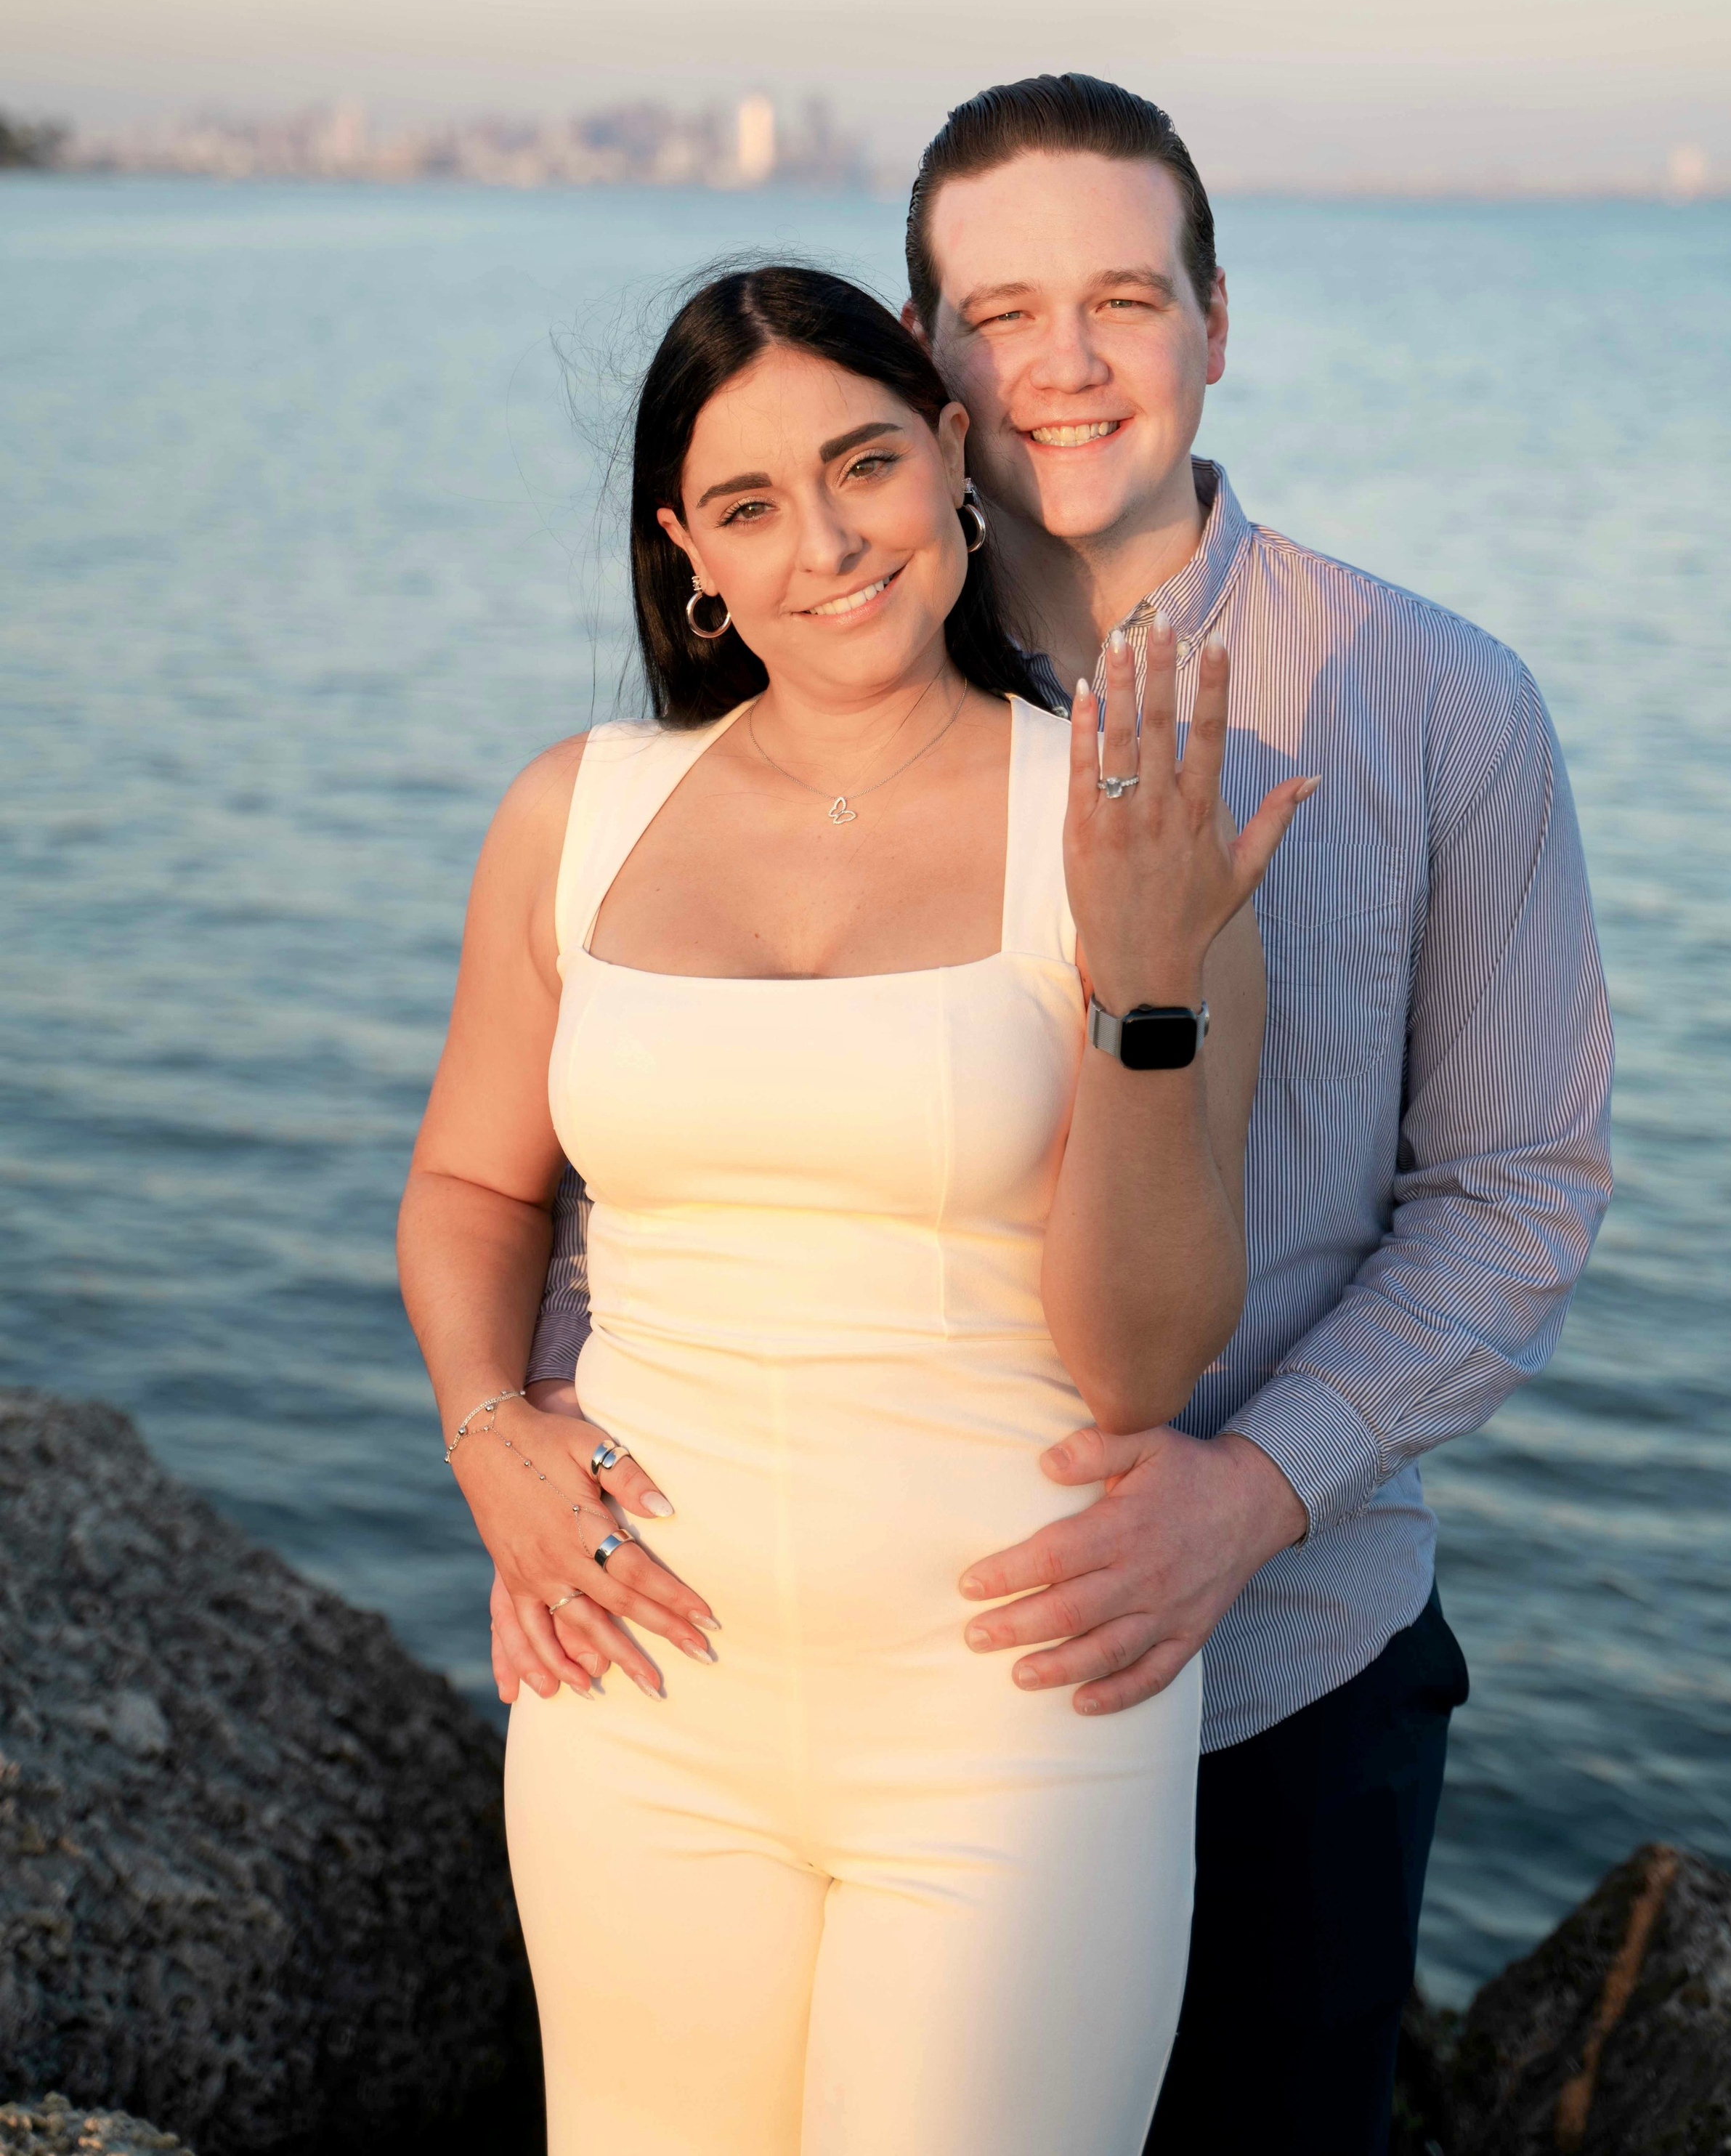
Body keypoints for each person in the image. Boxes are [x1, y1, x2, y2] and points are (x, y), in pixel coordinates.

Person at [503, 78, 1615, 2156]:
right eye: (1003, 312)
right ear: (930, 363)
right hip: (813, 1665)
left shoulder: (1440, 698)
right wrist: (544, 1448)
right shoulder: (838, 663)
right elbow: (656, 1150)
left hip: (1283, 1667)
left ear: (1216, 316)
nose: (1071, 364)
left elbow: (1518, 1187)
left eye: (1124, 295)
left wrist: (1250, 1490)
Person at [400, 262, 1312, 2156]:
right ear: (689, 556)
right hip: (636, 1695)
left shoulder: (1125, 823)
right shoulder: (576, 814)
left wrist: (1146, 986)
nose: (826, 544)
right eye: (748, 506)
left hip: (1009, 1714)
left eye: (865, 465)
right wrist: (487, 1427)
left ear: (955, 464)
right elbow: (473, 1184)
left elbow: (1142, 1361)